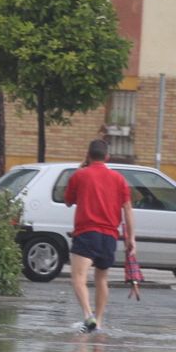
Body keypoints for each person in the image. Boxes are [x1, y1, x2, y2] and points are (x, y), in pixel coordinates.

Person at [63, 138, 137, 333]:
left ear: (88, 155)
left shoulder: (80, 175)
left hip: (87, 233)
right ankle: (99, 320)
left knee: (79, 277)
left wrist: (82, 169)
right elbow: (128, 209)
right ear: (107, 157)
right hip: (110, 237)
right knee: (101, 279)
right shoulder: (119, 179)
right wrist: (131, 238)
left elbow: (68, 201)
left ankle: (88, 316)